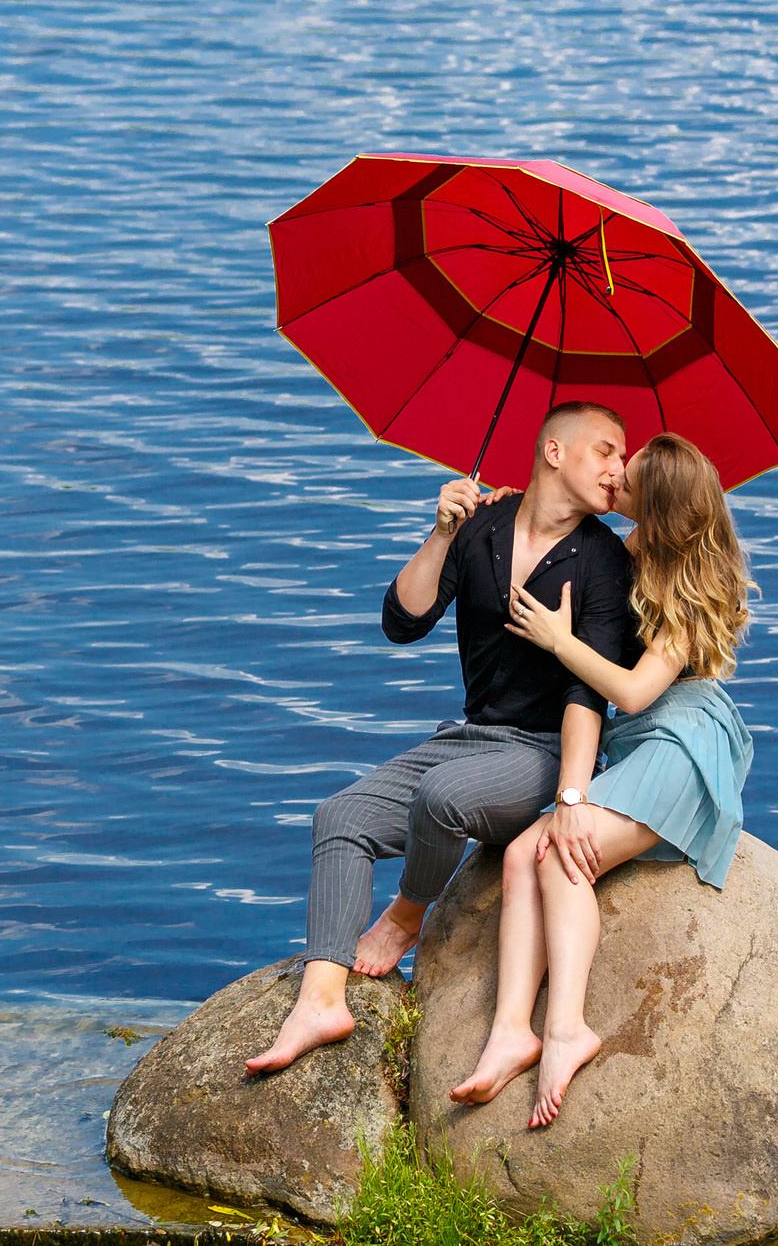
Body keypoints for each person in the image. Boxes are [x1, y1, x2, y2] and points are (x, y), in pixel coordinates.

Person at [245, 402, 637, 1075]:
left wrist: (572, 792)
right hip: (469, 735)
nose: (617, 468)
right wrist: (439, 532)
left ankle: (405, 914)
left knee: (441, 796)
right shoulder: (482, 525)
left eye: (622, 457)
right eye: (605, 450)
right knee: (338, 817)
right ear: (553, 451)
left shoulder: (602, 560)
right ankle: (321, 999)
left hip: (539, 752)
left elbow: (587, 695)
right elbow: (403, 620)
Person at [446, 431, 756, 1127]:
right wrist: (503, 508)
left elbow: (638, 691)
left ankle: (566, 1028)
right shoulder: (631, 547)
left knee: (563, 856)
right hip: (646, 744)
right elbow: (559, 521)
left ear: (661, 503)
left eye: (630, 474)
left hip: (682, 745)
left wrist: (561, 641)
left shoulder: (693, 586)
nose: (615, 476)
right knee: (527, 850)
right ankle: (509, 1030)